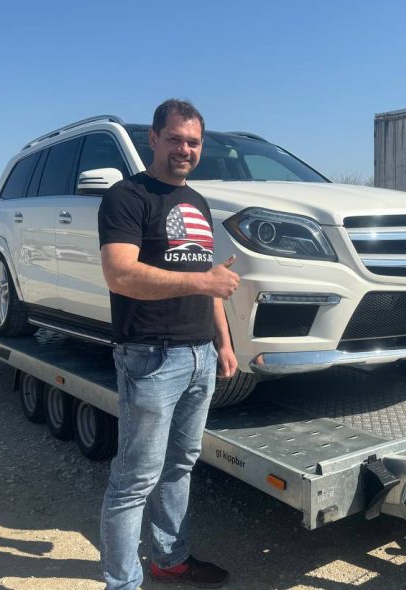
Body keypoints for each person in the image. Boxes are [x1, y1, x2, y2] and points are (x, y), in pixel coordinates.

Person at [97, 99, 237, 590]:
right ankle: (122, 583)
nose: (185, 149)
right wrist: (204, 284)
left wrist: (223, 342)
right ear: (153, 139)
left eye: (193, 142)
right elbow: (120, 274)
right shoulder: (127, 197)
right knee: (135, 479)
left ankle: (169, 560)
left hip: (199, 355)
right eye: (175, 139)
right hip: (150, 357)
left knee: (180, 465)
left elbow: (209, 279)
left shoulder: (197, 202)